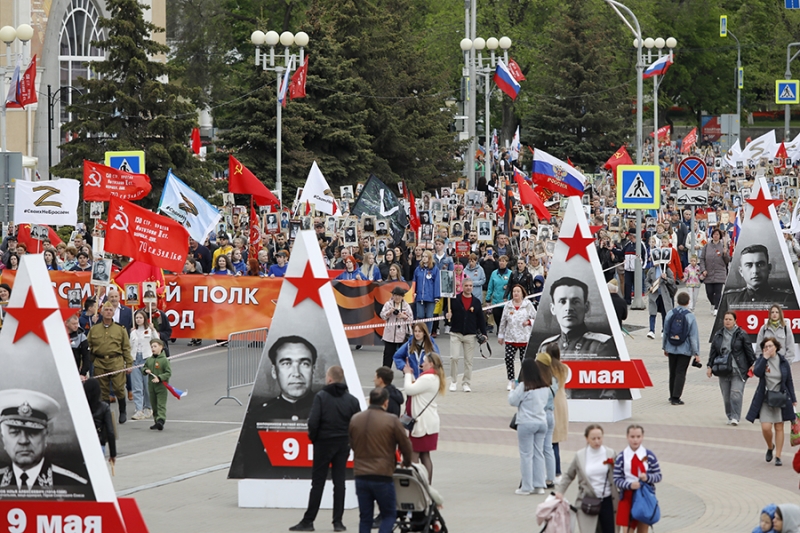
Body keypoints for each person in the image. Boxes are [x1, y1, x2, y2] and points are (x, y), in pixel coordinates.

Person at [290, 366, 360, 533]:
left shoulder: (321, 397)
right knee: (339, 482)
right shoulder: (351, 400)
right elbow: (357, 424)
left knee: (318, 483)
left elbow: (313, 422)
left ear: (329, 379)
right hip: (342, 444)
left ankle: (308, 521)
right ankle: (338, 522)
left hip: (323, 444)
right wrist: (350, 441)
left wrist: (315, 439)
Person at [348, 388, 413, 533]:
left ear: (369, 400)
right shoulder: (391, 420)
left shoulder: (356, 419)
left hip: (361, 475)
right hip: (382, 474)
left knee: (365, 518)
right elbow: (406, 445)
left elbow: (352, 443)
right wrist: (406, 462)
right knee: (389, 514)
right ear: (386, 403)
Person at [0, 389, 89, 492]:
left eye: (32, 432)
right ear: (3, 438)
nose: (23, 441)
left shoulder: (74, 485)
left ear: (46, 436)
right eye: (14, 432)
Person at [555, 424, 618, 533]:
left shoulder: (610, 453)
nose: (597, 441)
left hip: (608, 500)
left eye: (599, 438)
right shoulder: (580, 456)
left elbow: (619, 473)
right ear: (586, 439)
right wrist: (560, 492)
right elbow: (569, 475)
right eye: (593, 438)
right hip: (587, 500)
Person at [745, 337, 798, 467]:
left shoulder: (783, 361)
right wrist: (764, 358)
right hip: (765, 398)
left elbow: (789, 381)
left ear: (776, 347)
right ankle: (770, 446)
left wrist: (794, 399)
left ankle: (778, 456)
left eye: (770, 346)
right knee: (766, 427)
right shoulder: (763, 361)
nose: (768, 349)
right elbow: (756, 372)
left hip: (780, 397)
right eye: (765, 347)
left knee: (779, 427)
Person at [537, 277, 615, 358]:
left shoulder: (601, 345)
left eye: (575, 302)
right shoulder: (546, 347)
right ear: (553, 309)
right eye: (562, 301)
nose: (568, 308)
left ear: (586, 307)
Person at [508, 358, 550, 495]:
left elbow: (513, 401)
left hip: (526, 422)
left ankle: (526, 487)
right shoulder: (545, 386)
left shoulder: (524, 386)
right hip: (541, 422)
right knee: (538, 453)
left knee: (526, 455)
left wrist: (512, 390)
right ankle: (539, 485)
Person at [402, 352, 445, 484]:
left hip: (422, 423)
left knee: (414, 454)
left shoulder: (428, 378)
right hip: (428, 422)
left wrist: (408, 373)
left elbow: (409, 389)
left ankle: (418, 486)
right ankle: (428, 486)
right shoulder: (433, 377)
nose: (422, 364)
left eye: (424, 361)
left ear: (431, 364)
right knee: (425, 455)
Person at [707, 311, 756, 425]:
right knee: (726, 397)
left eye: (730, 319)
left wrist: (753, 364)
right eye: (725, 319)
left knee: (736, 393)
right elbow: (713, 352)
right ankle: (729, 416)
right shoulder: (718, 334)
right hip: (723, 368)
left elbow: (749, 351)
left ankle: (735, 417)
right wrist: (709, 366)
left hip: (738, 369)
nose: (727, 321)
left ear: (735, 321)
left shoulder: (741, 334)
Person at [87, 302, 133, 424]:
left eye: (110, 310)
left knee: (118, 388)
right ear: (101, 312)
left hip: (116, 361)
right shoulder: (94, 329)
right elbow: (89, 347)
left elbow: (126, 348)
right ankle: (105, 414)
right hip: (100, 362)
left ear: (113, 313)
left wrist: (129, 364)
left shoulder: (120, 329)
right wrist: (88, 363)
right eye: (105, 310)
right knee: (103, 391)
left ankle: (122, 411)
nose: (108, 312)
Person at [613, 425, 663, 533]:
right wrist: (629, 485)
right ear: (627, 437)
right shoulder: (622, 456)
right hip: (627, 497)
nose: (635, 440)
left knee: (642, 529)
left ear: (643, 437)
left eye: (638, 436)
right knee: (627, 530)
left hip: (644, 497)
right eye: (632, 436)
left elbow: (658, 476)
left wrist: (647, 477)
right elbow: (616, 478)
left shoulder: (649, 455)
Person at [720, 244, 797, 311]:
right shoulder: (729, 299)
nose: (755, 271)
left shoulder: (786, 298)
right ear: (741, 271)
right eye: (749, 265)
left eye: (760, 264)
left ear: (769, 268)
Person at [260, 336, 317, 420]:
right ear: (274, 371)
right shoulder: (259, 414)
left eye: (304, 364)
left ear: (313, 370)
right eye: (286, 364)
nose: (296, 373)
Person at [446, 278, 487, 392]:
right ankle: (453, 381)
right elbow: (447, 311)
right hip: (456, 332)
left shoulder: (476, 302)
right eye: (466, 285)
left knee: (468, 360)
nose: (469, 287)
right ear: (462, 287)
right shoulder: (455, 299)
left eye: (470, 286)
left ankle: (466, 382)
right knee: (454, 357)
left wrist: (484, 333)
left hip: (470, 334)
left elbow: (481, 319)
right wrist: (447, 315)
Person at [662, 292, 701, 405]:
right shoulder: (690, 316)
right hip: (685, 349)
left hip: (671, 346)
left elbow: (665, 331)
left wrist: (665, 347)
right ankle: (676, 397)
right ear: (688, 302)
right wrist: (696, 353)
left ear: (677, 301)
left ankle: (671, 395)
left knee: (672, 372)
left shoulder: (670, 313)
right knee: (680, 372)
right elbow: (693, 336)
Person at [497, 285, 536, 391]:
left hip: (524, 338)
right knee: (509, 358)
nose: (516, 293)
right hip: (511, 337)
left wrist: (529, 322)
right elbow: (503, 321)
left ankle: (524, 381)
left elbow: (536, 318)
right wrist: (501, 335)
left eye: (518, 291)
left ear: (522, 293)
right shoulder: (508, 305)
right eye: (514, 291)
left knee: (525, 361)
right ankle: (511, 380)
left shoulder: (528, 305)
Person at [545, 343, 569, 480]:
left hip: (550, 402)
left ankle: (551, 471)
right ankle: (557, 472)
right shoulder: (564, 368)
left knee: (548, 441)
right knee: (555, 442)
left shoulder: (546, 368)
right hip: (561, 402)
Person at [83, 379, 116, 467]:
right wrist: (113, 454)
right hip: (99, 442)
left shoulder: (81, 407)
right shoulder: (104, 407)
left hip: (84, 444)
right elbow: (110, 432)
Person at [129, 310, 154, 421]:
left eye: (140, 317)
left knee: (147, 386)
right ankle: (139, 409)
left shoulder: (149, 330)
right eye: (136, 318)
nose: (138, 319)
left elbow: (157, 341)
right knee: (136, 386)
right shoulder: (133, 332)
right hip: (135, 359)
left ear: (144, 319)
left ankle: (148, 407)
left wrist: (153, 329)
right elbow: (130, 346)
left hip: (146, 359)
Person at [379, 286, 413, 368]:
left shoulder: (406, 305)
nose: (397, 297)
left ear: (402, 297)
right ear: (392, 296)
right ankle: (386, 370)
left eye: (400, 296)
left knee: (404, 354)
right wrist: (389, 312)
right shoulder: (388, 304)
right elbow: (382, 316)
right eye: (395, 295)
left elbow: (411, 319)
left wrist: (404, 316)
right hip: (390, 334)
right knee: (388, 354)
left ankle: (406, 370)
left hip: (402, 334)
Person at [142, 338, 171, 431]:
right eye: (151, 347)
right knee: (154, 405)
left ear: (161, 347)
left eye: (155, 346)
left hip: (161, 387)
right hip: (151, 387)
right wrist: (145, 370)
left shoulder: (164, 360)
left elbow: (168, 373)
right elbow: (144, 368)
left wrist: (159, 377)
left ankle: (161, 420)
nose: (153, 348)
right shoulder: (149, 360)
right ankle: (156, 421)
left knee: (160, 405)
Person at [644, 263, 675, 339]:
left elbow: (672, 281)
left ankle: (664, 330)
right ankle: (651, 330)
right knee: (652, 312)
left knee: (664, 313)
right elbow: (647, 281)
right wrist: (649, 287)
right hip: (654, 295)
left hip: (664, 295)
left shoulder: (667, 270)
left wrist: (666, 278)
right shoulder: (651, 270)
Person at [412, 251, 440, 321]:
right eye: (423, 256)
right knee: (420, 315)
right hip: (419, 296)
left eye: (426, 256)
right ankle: (420, 331)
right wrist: (413, 292)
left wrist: (437, 296)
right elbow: (414, 281)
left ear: (430, 258)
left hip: (431, 297)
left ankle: (428, 332)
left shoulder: (435, 269)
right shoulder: (418, 269)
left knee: (429, 316)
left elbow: (437, 283)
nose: (424, 258)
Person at [486, 255, 511, 327]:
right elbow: (490, 287)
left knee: (505, 318)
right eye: (500, 261)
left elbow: (514, 286)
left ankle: (503, 330)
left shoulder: (510, 273)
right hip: (496, 300)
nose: (501, 263)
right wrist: (488, 299)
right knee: (497, 317)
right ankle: (499, 329)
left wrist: (509, 286)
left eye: (503, 261)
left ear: (507, 263)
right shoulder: (494, 273)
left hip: (506, 300)